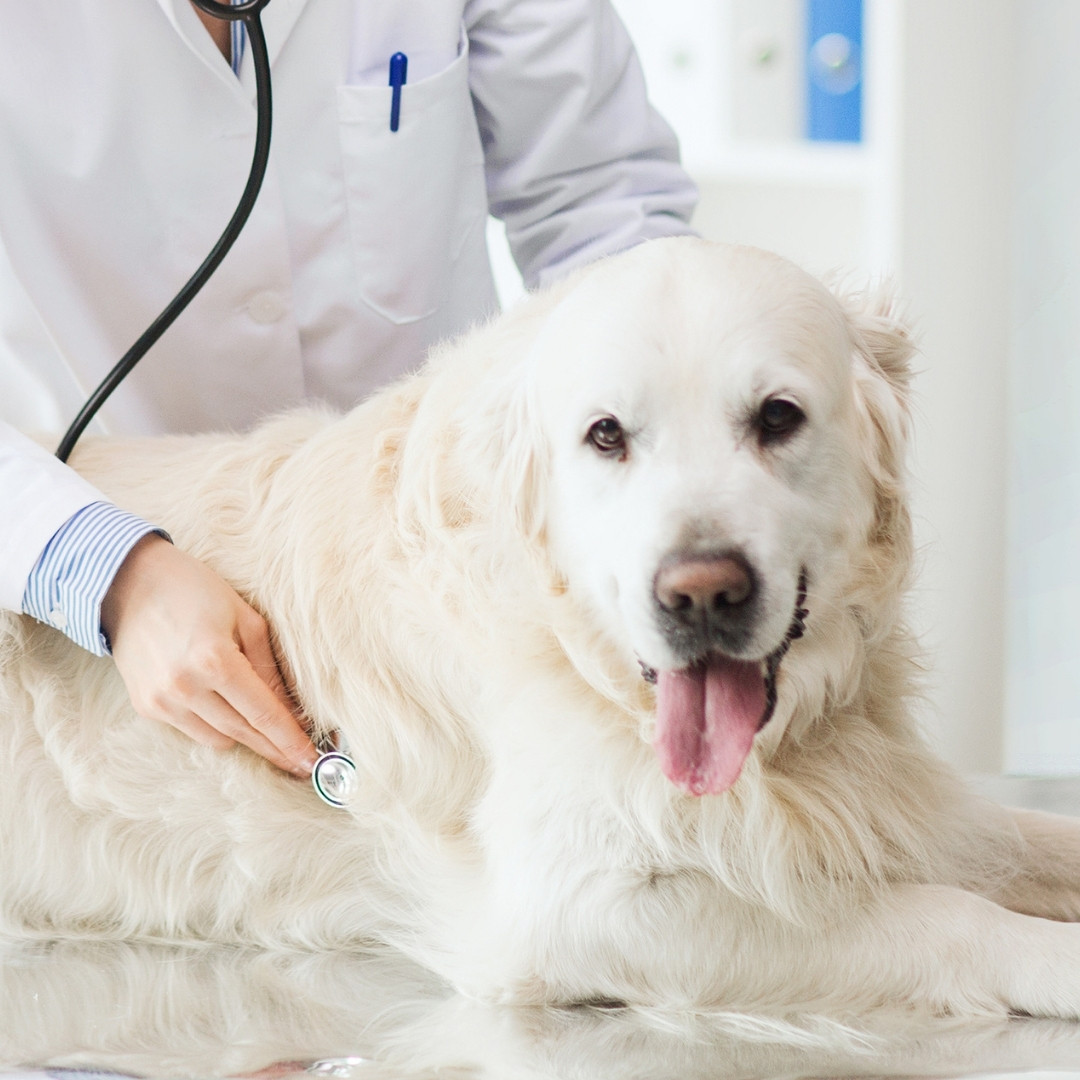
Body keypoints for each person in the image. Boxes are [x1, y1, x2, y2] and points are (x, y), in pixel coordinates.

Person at [0, 0, 697, 778]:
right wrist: (109, 572)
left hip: (437, 573)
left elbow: (601, 200)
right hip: (87, 586)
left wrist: (640, 483)